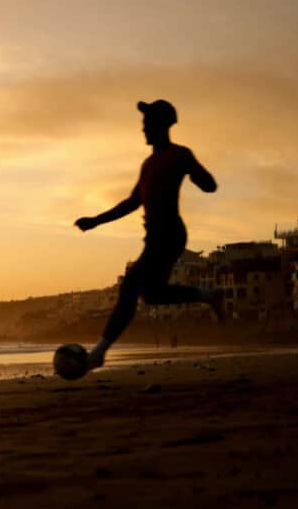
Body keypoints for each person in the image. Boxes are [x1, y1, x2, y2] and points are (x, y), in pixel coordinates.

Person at [74, 99, 221, 371]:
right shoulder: (148, 164)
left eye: (147, 123)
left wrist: (200, 179)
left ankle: (99, 353)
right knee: (152, 296)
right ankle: (205, 295)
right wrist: (96, 221)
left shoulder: (179, 155)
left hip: (170, 234)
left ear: (160, 125)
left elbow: (209, 184)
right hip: (155, 237)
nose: (143, 128)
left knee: (130, 286)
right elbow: (132, 202)